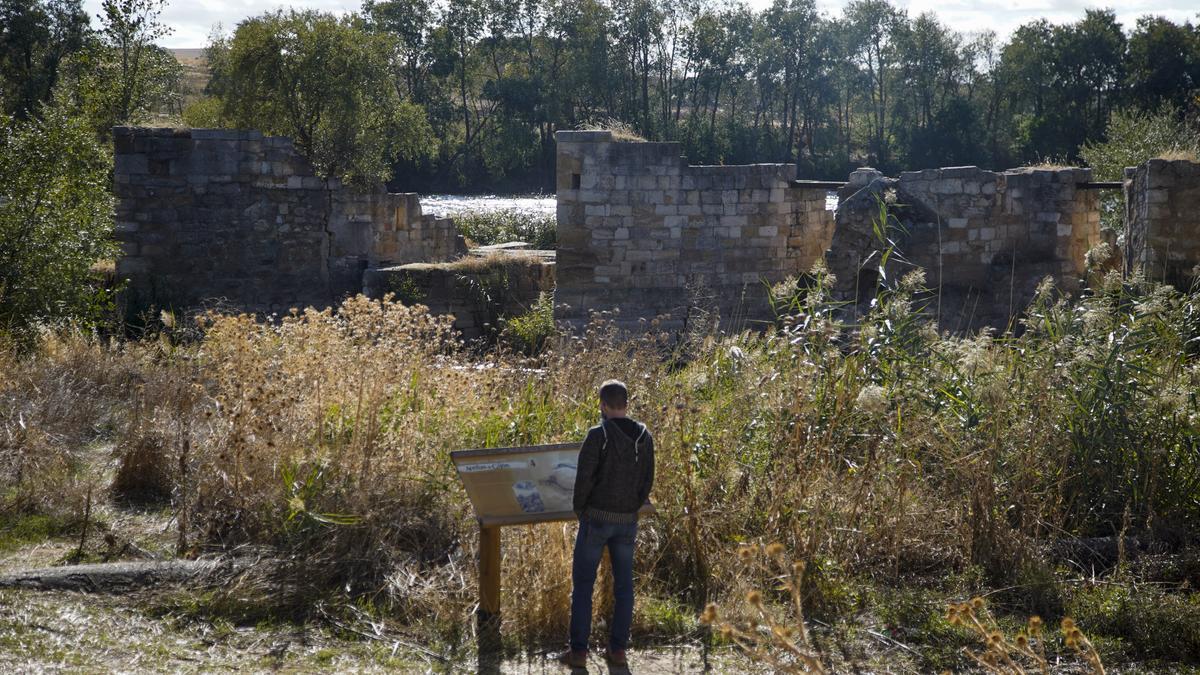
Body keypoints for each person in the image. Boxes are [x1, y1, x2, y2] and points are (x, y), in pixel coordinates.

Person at [558, 379, 655, 669]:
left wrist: (582, 511)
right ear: (627, 404)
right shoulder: (643, 436)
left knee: (584, 586)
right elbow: (647, 479)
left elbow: (583, 479)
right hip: (627, 520)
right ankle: (618, 650)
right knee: (625, 586)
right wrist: (634, 506)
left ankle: (578, 652)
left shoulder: (597, 435)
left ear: (602, 405)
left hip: (596, 518)